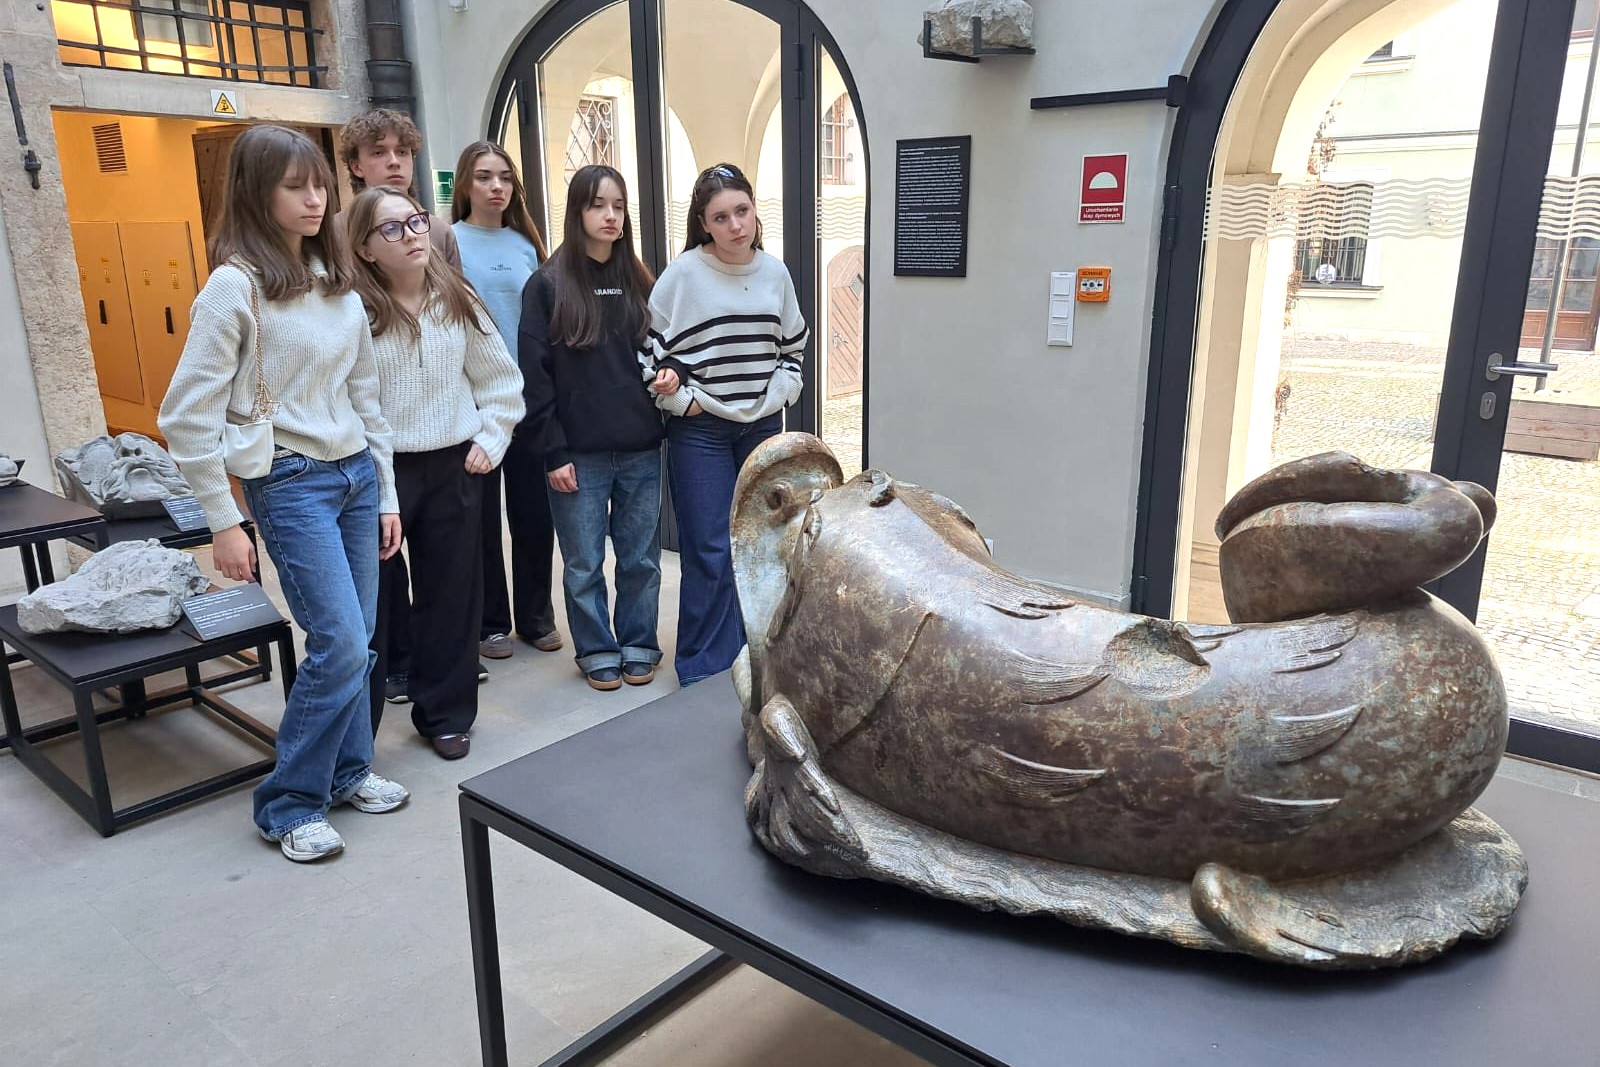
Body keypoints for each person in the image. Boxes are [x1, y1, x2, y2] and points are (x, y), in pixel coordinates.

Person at [158, 124, 408, 863]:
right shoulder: (234, 287)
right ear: (254, 193)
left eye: (320, 185)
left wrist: (386, 494)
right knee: (338, 643)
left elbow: (366, 396)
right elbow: (185, 416)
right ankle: (289, 802)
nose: (315, 199)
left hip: (356, 474)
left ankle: (348, 771)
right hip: (291, 481)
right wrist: (223, 519)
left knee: (360, 642)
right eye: (295, 186)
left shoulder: (335, 281)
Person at [349, 186, 524, 760]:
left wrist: (492, 439)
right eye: (392, 229)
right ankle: (359, 726)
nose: (412, 235)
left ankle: (446, 713)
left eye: (416, 221)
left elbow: (501, 380)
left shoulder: (457, 298)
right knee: (376, 600)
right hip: (379, 468)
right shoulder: (354, 311)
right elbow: (356, 405)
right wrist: (381, 487)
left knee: (452, 595)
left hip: (454, 465)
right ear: (366, 248)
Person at [641, 162, 808, 686]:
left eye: (742, 211)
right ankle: (705, 667)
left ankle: (758, 659)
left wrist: (780, 393)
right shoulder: (684, 275)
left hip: (761, 427)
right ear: (703, 223)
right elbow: (647, 355)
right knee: (710, 548)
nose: (736, 225)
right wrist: (681, 402)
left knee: (763, 544)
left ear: (755, 211)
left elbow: (793, 348)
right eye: (721, 217)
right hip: (702, 433)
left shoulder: (775, 273)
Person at [338, 108, 468, 716]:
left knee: (449, 579)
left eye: (403, 152)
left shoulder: (437, 233)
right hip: (369, 449)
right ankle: (390, 665)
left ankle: (440, 695)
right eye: (379, 152)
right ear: (355, 165)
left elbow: (457, 322)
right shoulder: (331, 237)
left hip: (445, 442)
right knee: (379, 578)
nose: (394, 162)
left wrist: (487, 428)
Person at [520, 165, 662, 691]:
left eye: (618, 206)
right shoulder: (547, 285)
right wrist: (553, 453)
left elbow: (662, 351)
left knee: (641, 559)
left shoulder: (641, 281)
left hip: (641, 449)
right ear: (577, 211)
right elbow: (535, 379)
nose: (610, 216)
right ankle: (597, 648)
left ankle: (639, 643)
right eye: (598, 205)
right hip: (577, 454)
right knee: (583, 563)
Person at [449, 140, 564, 664]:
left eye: (504, 178)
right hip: (472, 402)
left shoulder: (525, 245)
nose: (496, 187)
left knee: (534, 515)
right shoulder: (447, 241)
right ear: (465, 184)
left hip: (527, 399)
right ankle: (490, 623)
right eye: (483, 177)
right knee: (479, 521)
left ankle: (536, 617)